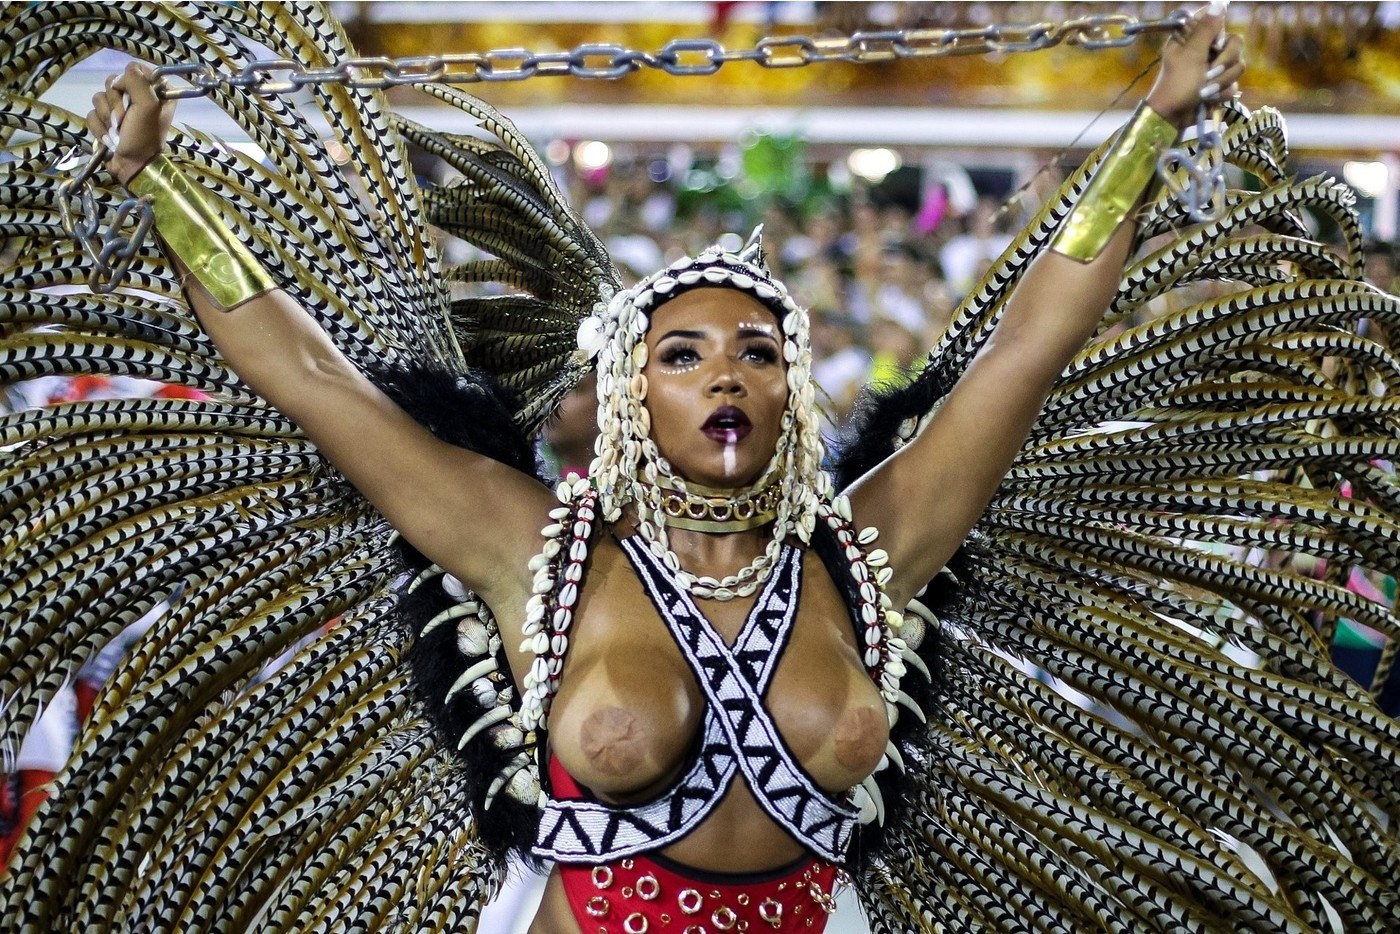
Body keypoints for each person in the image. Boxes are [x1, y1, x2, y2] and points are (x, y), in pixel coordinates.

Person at [5, 2, 1398, 932]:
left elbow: (1028, 346)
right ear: (632, 396)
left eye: (755, 349)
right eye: (683, 354)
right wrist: (162, 184)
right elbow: (314, 382)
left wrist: (1153, 128)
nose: (725, 373)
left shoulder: (870, 546)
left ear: (793, 387)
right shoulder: (529, 550)